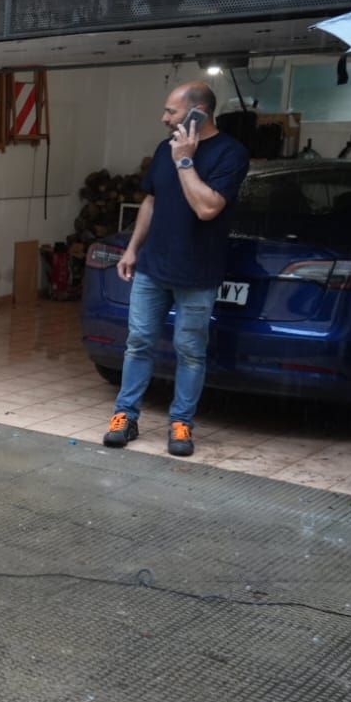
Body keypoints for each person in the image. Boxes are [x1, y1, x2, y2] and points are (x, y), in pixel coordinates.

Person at [103, 82, 249, 457]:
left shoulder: (231, 154)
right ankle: (125, 415)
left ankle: (181, 422)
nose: (164, 119)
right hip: (153, 267)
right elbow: (151, 201)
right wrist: (132, 249)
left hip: (198, 273)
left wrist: (186, 160)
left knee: (190, 350)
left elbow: (207, 208)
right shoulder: (163, 149)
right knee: (138, 343)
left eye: (172, 112)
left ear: (200, 112)